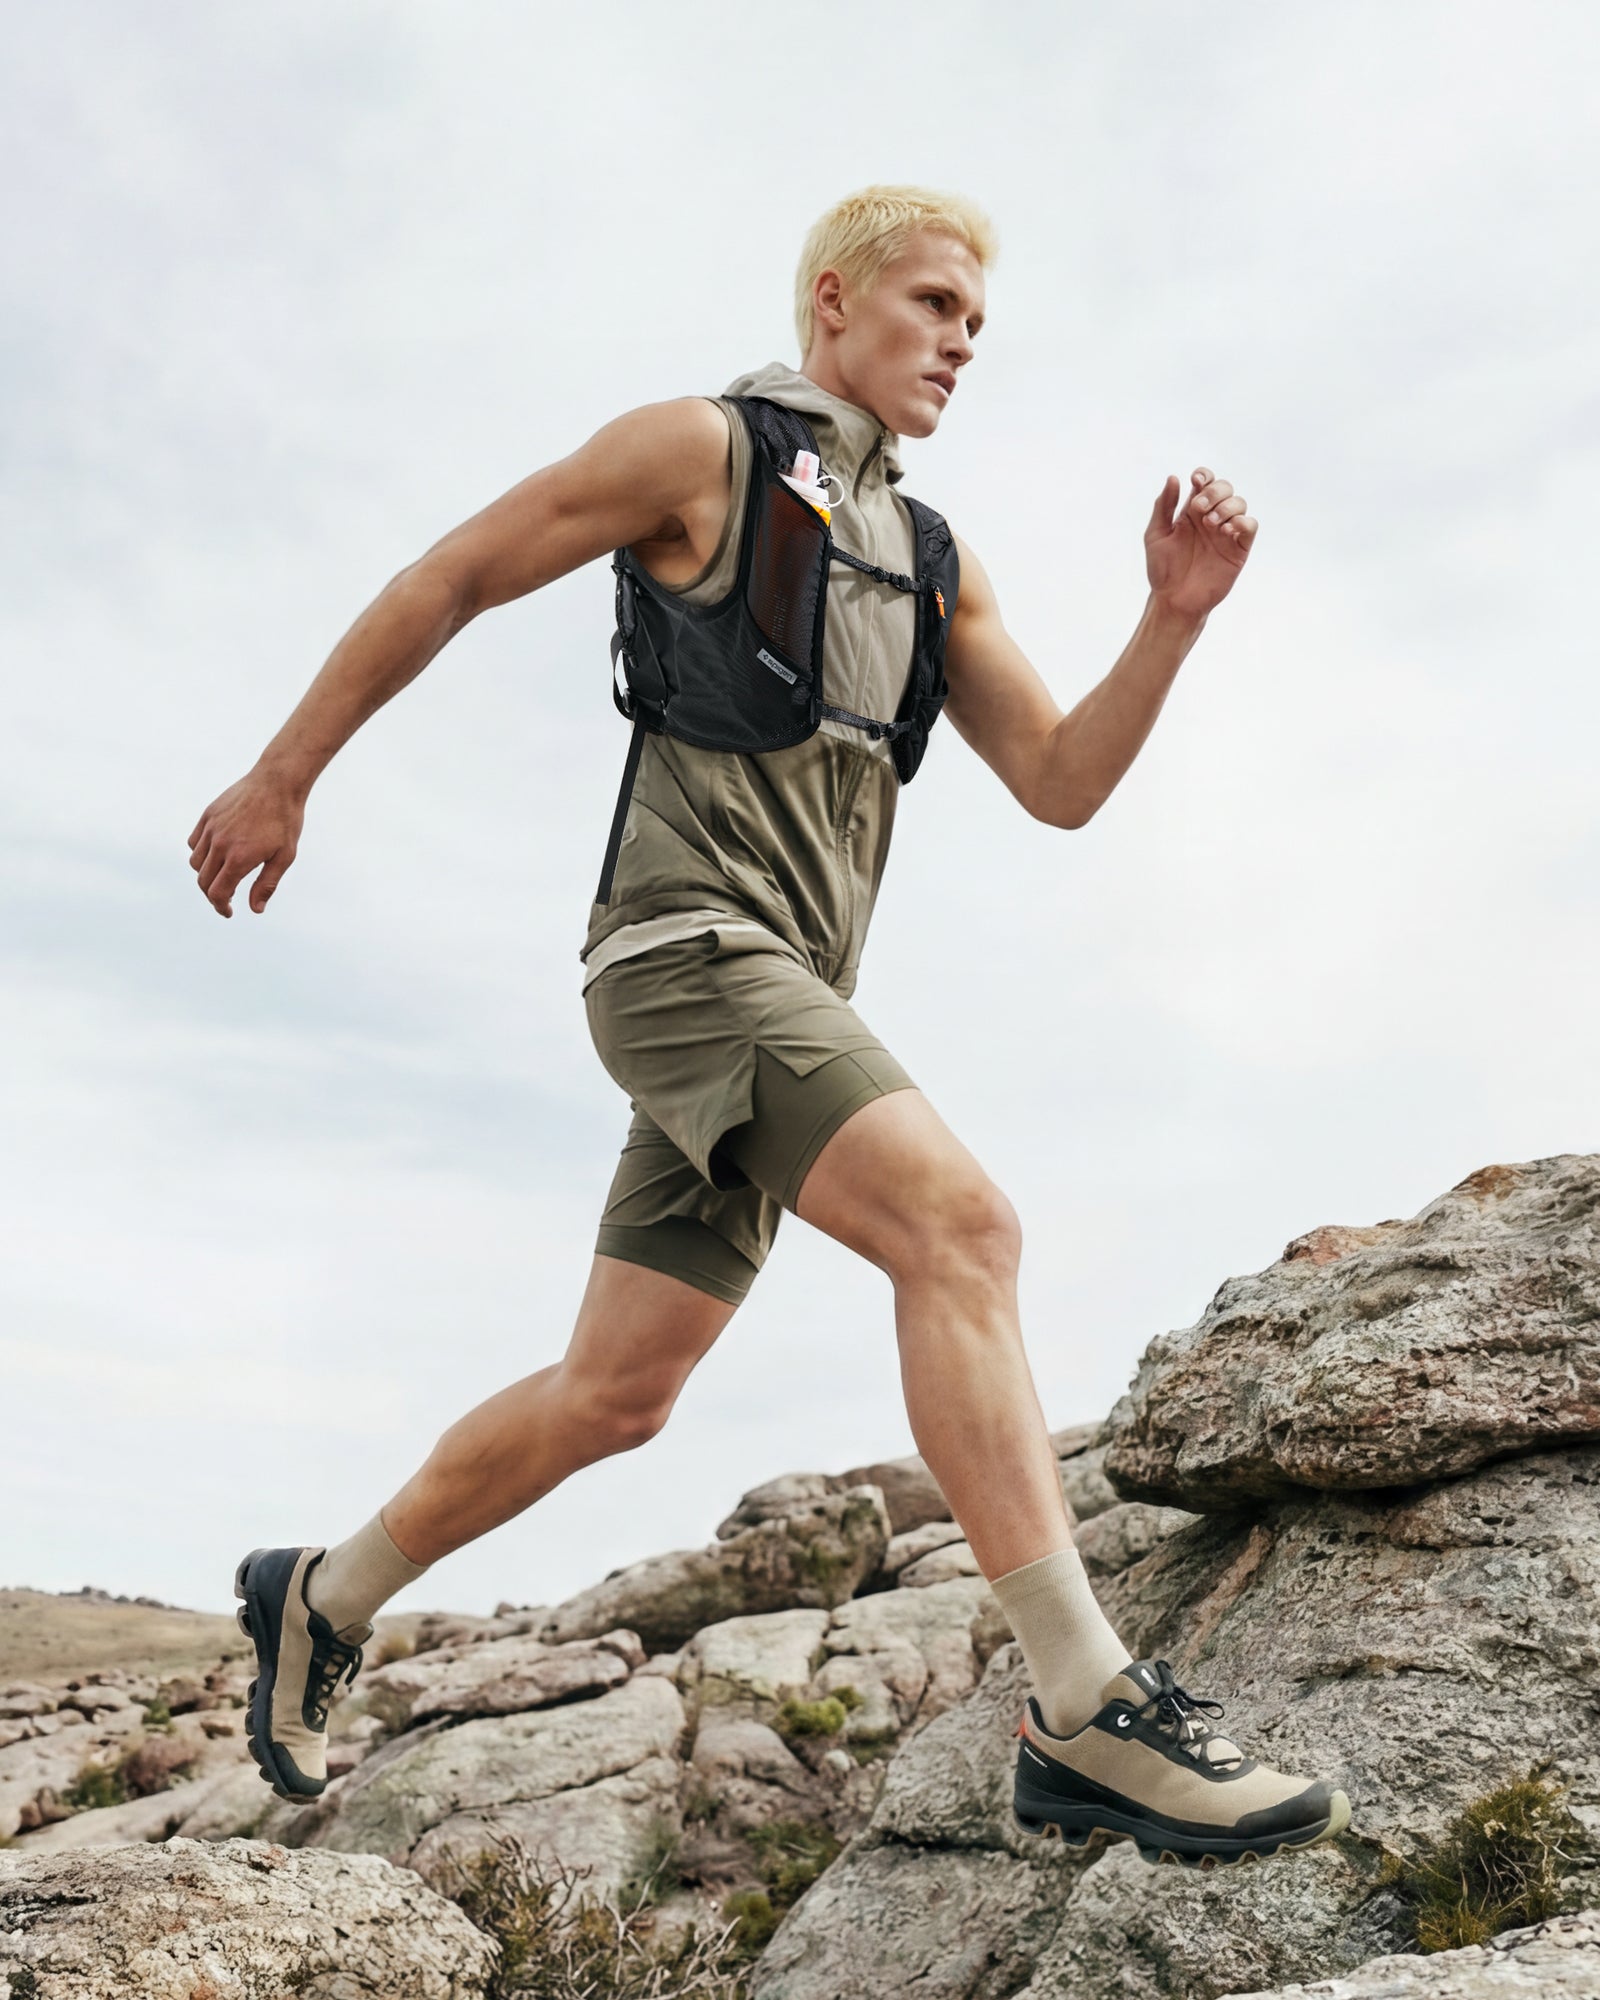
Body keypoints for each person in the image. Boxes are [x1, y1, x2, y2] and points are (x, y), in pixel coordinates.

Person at [189, 184, 1349, 1868]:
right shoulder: (703, 451)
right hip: (682, 956)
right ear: (832, 305)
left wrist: (1171, 619)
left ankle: (326, 1590)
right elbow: (457, 571)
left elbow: (1066, 784)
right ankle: (1084, 1705)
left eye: (978, 320)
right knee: (960, 1225)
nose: (962, 337)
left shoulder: (935, 563)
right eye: (935, 302)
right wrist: (285, 771)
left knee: (615, 1393)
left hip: (775, 999)